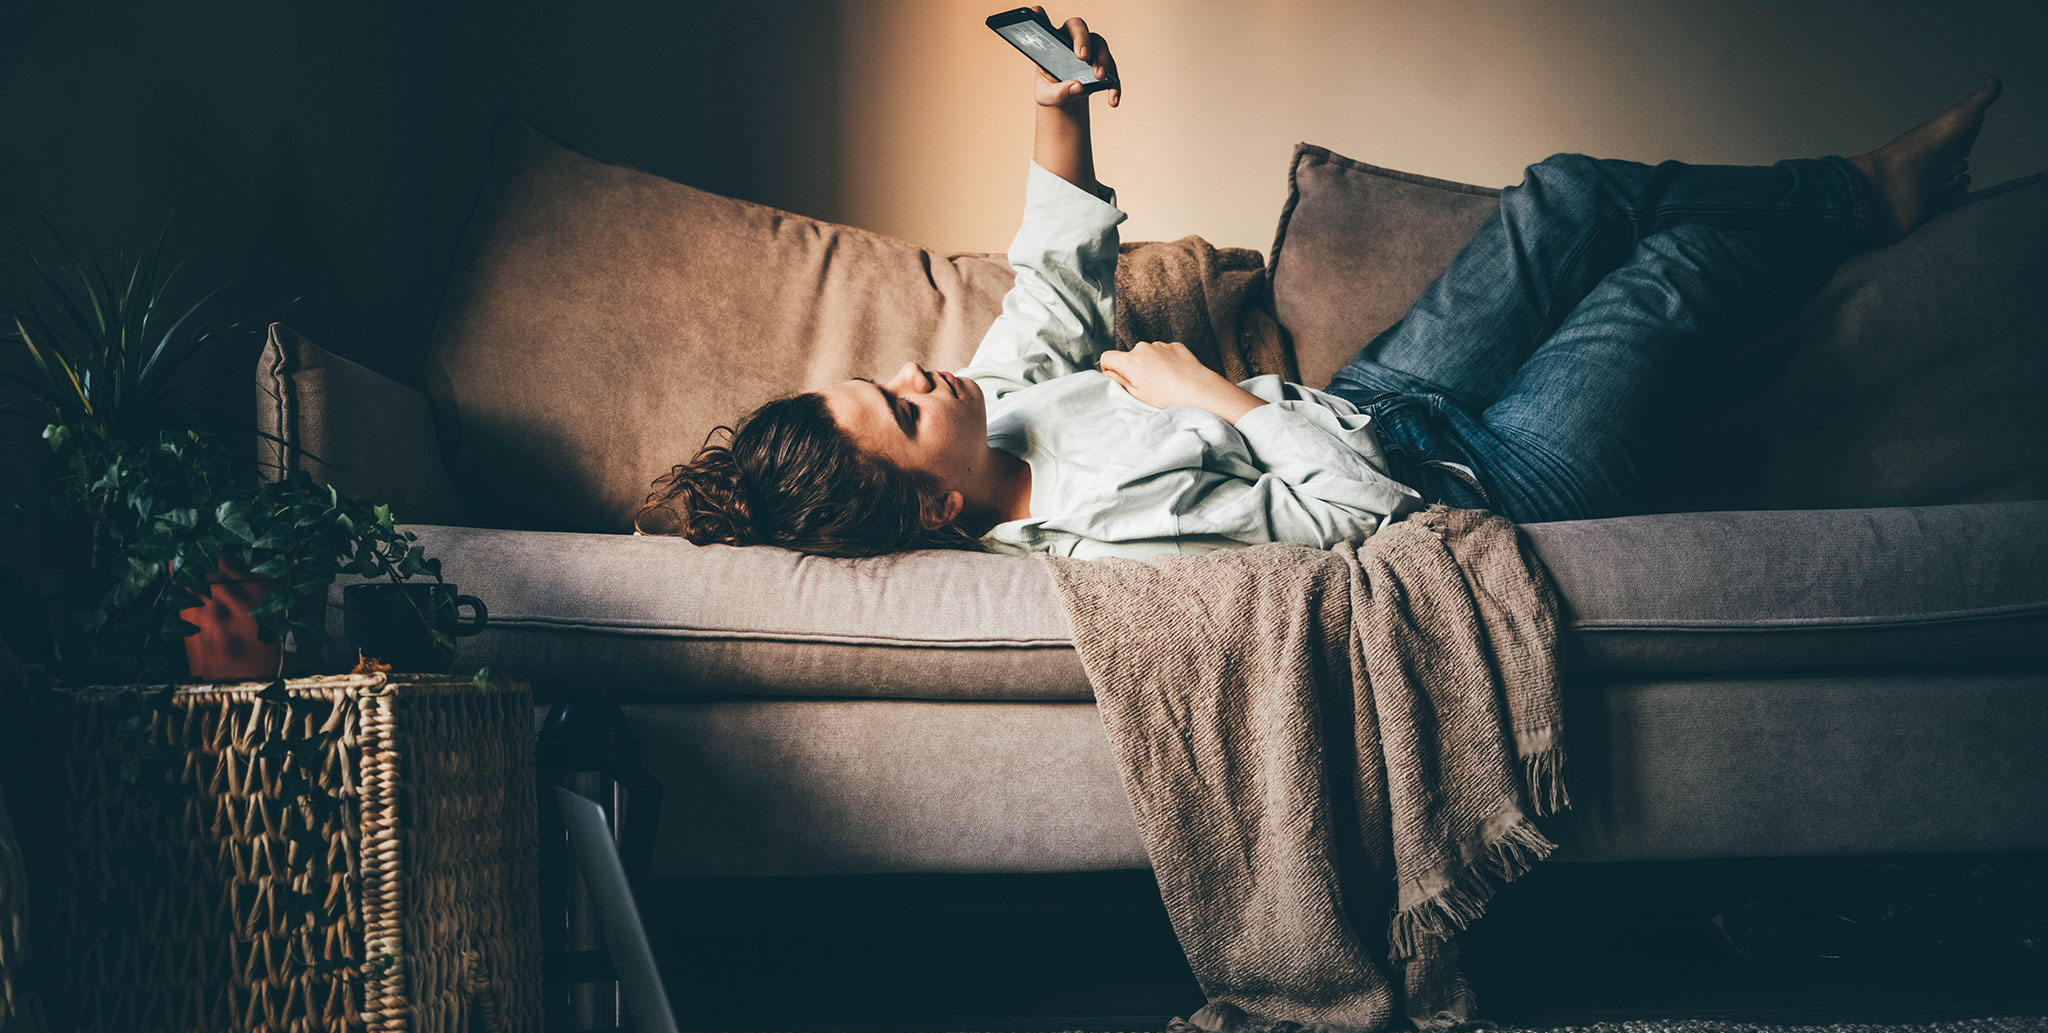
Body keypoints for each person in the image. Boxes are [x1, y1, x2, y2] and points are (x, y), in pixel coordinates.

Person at [636, 9, 2002, 559]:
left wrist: (1066, 104)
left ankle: (1855, 192)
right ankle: (1850, 209)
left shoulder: (995, 407)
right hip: (1489, 483)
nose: (920, 372)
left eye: (887, 378)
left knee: (1568, 193)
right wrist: (1215, 397)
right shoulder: (1116, 543)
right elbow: (1371, 524)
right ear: (934, 499)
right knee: (1677, 271)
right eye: (900, 403)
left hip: (1387, 397)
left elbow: (1054, 272)